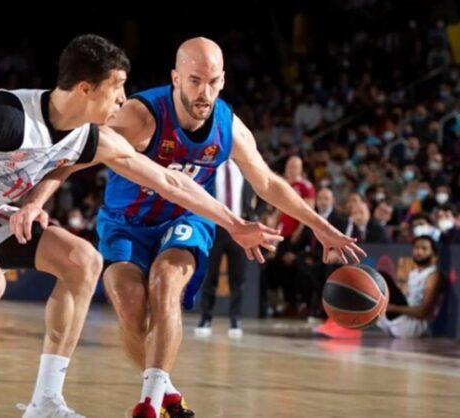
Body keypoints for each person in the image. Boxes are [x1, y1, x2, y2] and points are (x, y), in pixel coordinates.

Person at [0, 34, 281, 418]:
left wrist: (234, 223)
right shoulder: (7, 117)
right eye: (117, 88)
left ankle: (45, 401)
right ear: (86, 88)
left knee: (82, 260)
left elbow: (169, 181)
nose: (123, 100)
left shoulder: (89, 135)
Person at [97, 37, 364, 418]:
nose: (204, 92)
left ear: (223, 80)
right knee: (129, 304)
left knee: (166, 283)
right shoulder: (140, 116)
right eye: (194, 81)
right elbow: (77, 153)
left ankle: (149, 404)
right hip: (126, 221)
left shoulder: (229, 128)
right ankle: (166, 391)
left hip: (186, 217)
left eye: (213, 81)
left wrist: (319, 226)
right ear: (176, 78)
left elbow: (267, 183)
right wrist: (36, 201)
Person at [195, 159, 264, 338]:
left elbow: (262, 192)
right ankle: (205, 318)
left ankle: (235, 320)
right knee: (210, 275)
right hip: (214, 228)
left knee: (238, 277)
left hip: (239, 228)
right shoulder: (211, 167)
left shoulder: (245, 169)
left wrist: (255, 215)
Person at [377, 235, 442, 338]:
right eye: (416, 248)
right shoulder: (413, 273)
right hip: (400, 320)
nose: (419, 252)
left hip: (415, 324)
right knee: (378, 283)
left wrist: (392, 308)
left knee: (382, 277)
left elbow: (423, 311)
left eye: (424, 248)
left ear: (433, 252)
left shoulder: (433, 275)